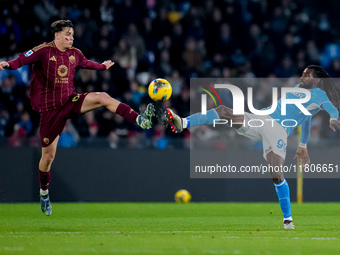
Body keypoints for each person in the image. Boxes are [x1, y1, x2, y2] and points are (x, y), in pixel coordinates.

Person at [0, 20, 155, 216]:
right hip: (50, 110)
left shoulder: (75, 54)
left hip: (70, 101)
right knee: (48, 157)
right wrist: (8, 64)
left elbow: (86, 63)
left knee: (103, 97)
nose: (71, 37)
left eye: (72, 34)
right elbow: (23, 58)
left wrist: (101, 67)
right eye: (67, 34)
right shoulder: (44, 51)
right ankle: (44, 192)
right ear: (56, 35)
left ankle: (139, 119)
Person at [165, 65, 340, 229]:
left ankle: (288, 220)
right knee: (223, 110)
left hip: (278, 131)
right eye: (302, 73)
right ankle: (183, 122)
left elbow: (330, 111)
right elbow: (306, 116)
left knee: (277, 175)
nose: (302, 76)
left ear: (316, 80)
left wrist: (330, 120)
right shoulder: (296, 87)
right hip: (260, 119)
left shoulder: (320, 96)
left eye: (306, 75)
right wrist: (303, 144)